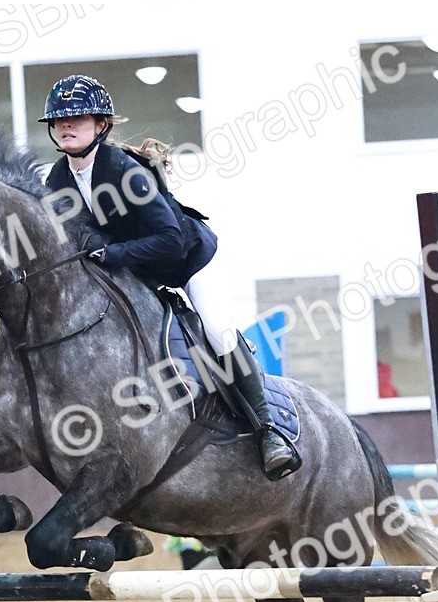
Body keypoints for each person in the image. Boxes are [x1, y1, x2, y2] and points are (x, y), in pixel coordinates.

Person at [40, 73, 300, 479]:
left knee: (216, 331)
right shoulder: (56, 181)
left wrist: (115, 253)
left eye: (78, 117)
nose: (67, 125)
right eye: (59, 120)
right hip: (138, 273)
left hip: (187, 259)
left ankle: (269, 430)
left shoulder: (125, 171)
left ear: (101, 125)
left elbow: (171, 239)